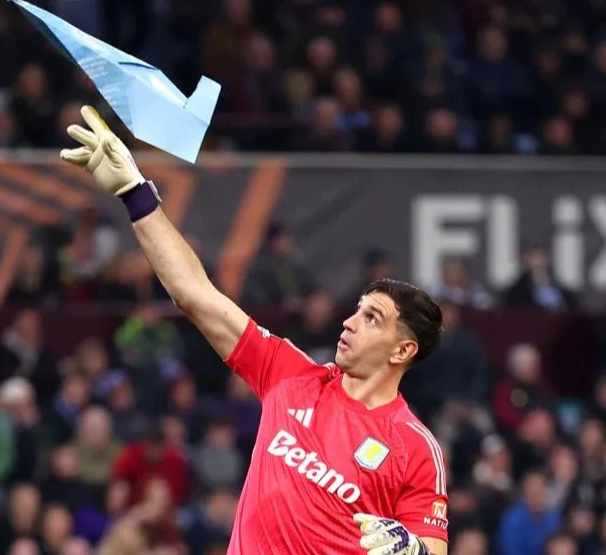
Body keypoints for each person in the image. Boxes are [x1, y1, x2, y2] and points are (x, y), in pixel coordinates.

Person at [59, 106, 450, 555]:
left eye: (371, 318)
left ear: (402, 350)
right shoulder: (290, 376)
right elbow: (194, 294)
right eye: (357, 310)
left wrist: (412, 550)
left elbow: (432, 548)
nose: (349, 321)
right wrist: (135, 193)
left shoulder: (415, 447)